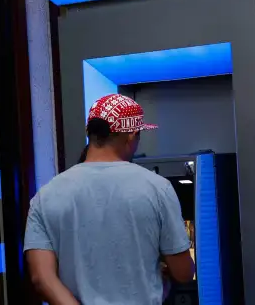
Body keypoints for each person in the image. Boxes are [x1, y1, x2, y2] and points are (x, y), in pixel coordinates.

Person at [24, 93, 195, 305]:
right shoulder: (158, 187)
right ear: (132, 135)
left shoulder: (45, 196)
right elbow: (184, 272)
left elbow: (42, 278)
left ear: (90, 132)